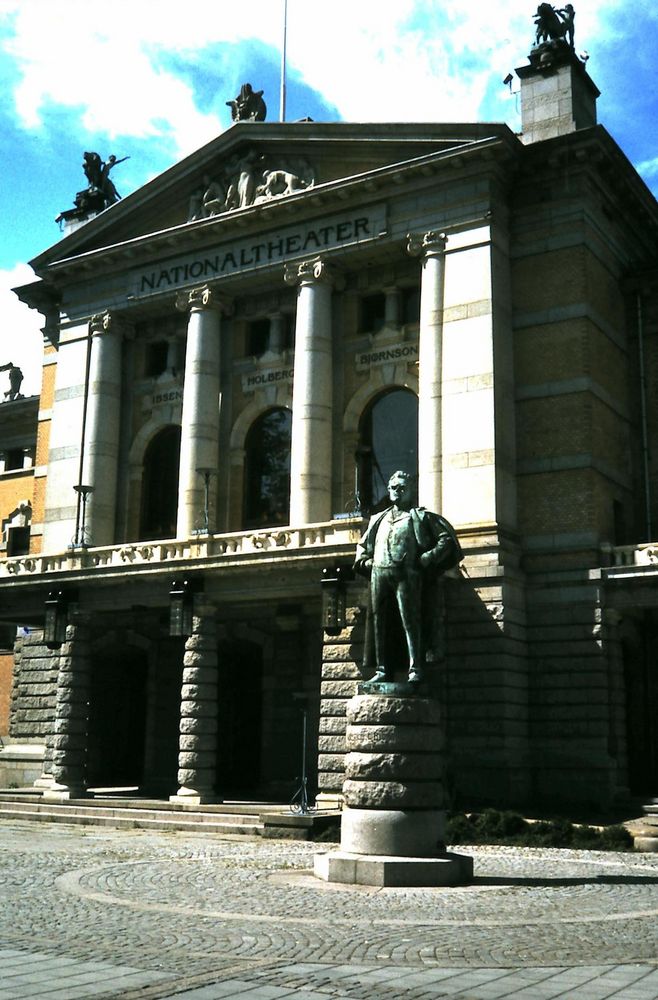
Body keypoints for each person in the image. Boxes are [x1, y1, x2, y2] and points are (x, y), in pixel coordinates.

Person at [354, 470, 462, 683]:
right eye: (394, 488)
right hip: (380, 575)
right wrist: (368, 563)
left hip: (408, 576)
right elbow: (363, 547)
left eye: (402, 488)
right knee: (379, 622)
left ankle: (416, 668)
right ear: (388, 490)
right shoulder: (378, 519)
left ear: (411, 491)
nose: (397, 492)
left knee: (410, 621)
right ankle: (383, 670)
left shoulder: (420, 517)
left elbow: (446, 541)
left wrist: (427, 558)